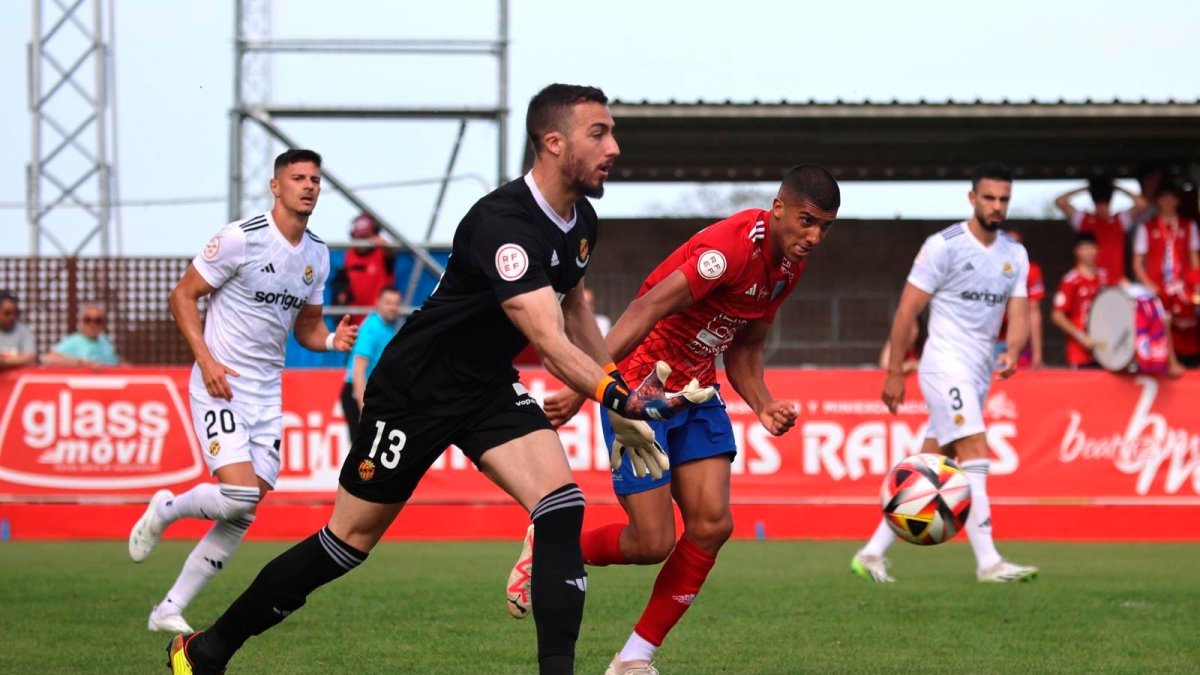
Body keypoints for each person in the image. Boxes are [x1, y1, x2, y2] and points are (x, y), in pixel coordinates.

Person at [163, 83, 712, 675]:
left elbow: (574, 305)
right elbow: (550, 341)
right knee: (346, 543)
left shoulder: (581, 220)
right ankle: (206, 651)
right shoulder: (503, 223)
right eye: (598, 133)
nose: (614, 147)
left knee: (561, 506)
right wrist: (620, 397)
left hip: (486, 386)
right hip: (415, 388)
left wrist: (608, 384)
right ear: (554, 143)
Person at [510, 165, 842, 675]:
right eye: (807, 221)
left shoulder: (787, 269)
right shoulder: (727, 252)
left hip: (695, 392)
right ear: (779, 209)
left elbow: (744, 352)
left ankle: (633, 659)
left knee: (712, 524)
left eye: (825, 227)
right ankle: (553, 543)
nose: (815, 237)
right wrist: (586, 387)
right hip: (639, 387)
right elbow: (644, 310)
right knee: (652, 542)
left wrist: (763, 404)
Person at [128, 148, 358, 635]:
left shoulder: (317, 254)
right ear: (276, 186)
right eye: (298, 178)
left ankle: (168, 609)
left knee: (243, 510)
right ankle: (166, 508)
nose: (309, 186)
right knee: (237, 493)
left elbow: (307, 328)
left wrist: (331, 341)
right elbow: (182, 296)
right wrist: (206, 360)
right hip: (221, 383)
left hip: (267, 393)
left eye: (315, 179)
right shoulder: (241, 238)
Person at [852, 161, 1038, 584]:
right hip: (944, 364)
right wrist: (894, 372)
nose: (996, 205)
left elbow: (1020, 312)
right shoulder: (943, 246)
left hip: (980, 371)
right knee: (975, 450)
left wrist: (1013, 349)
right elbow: (907, 310)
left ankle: (871, 552)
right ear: (972, 198)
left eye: (1003, 199)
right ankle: (989, 562)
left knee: (932, 466)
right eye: (989, 197)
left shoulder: (1015, 254)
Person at [1131, 183, 1200, 374]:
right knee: (1162, 322)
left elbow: (1194, 258)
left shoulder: (1189, 225)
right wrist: (1150, 286)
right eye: (1164, 197)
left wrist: (1196, 284)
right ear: (1158, 201)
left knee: (1190, 323)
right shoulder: (1147, 227)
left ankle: (1193, 363)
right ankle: (1170, 363)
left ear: (1178, 201)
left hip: (1183, 286)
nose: (1168, 201)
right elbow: (1137, 263)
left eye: (1172, 197)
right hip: (1158, 287)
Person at [1054, 177, 1149, 283]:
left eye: (1105, 204)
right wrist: (1086, 189)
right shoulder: (1083, 219)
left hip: (1115, 282)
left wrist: (1117, 188)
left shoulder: (1120, 220)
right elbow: (1060, 201)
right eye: (1099, 204)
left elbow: (1143, 204)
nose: (1102, 208)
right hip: (1088, 282)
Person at [342, 286, 402, 442]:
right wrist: (364, 409)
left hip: (373, 394)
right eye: (388, 303)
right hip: (358, 392)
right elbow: (358, 371)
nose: (392, 307)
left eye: (396, 303)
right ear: (378, 303)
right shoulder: (372, 329)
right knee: (364, 447)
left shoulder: (388, 327)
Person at [1051, 233, 1108, 369]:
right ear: (1077, 251)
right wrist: (1081, 337)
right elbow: (1057, 316)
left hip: (1103, 349)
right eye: (1084, 248)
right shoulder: (1070, 280)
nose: (1089, 252)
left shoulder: (1104, 277)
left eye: (1092, 247)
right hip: (1079, 352)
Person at [332, 211, 396, 325]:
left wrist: (381, 242)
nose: (362, 242)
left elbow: (391, 252)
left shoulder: (382, 253)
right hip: (353, 321)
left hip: (378, 321)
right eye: (359, 237)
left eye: (365, 237)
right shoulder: (348, 255)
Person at [996, 228, 1045, 368]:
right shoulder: (988, 268)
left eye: (1016, 244)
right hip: (991, 340)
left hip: (1020, 341)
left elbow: (1034, 313)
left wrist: (1037, 354)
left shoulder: (1031, 270)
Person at [41, 303, 123, 367]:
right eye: (88, 320)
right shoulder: (75, 340)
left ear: (103, 323)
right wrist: (82, 364)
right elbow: (49, 360)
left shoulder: (104, 340)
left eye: (98, 321)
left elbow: (116, 363)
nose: (92, 324)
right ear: (81, 322)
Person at [0, 291, 37, 369]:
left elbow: (30, 359)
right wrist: (16, 360)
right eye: (7, 313)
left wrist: (3, 361)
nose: (12, 317)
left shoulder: (24, 331)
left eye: (14, 313)